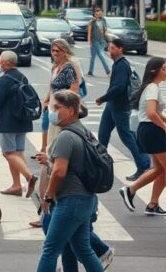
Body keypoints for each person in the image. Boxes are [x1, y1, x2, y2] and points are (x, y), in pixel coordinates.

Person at [35, 90, 108, 272]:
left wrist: (49, 195)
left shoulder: (66, 136)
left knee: (50, 250)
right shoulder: (84, 132)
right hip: (85, 199)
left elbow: (60, 172)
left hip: (70, 200)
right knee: (82, 249)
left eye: (57, 107)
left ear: (71, 111)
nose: (52, 111)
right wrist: (50, 162)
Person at [117, 57, 166, 217]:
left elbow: (154, 112)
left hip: (148, 129)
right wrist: (165, 128)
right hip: (151, 130)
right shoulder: (152, 88)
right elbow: (151, 113)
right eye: (164, 68)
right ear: (155, 71)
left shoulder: (150, 87)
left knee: (161, 168)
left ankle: (150, 203)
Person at [96, 38, 150, 181]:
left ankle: (143, 164)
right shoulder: (119, 64)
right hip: (113, 104)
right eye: (109, 48)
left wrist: (103, 98)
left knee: (127, 137)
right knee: (103, 133)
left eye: (113, 48)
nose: (110, 51)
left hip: (119, 106)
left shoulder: (121, 65)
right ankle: (100, 163)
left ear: (120, 49)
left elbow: (119, 87)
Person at [0, 50, 37, 197]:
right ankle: (16, 185)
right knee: (18, 152)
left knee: (8, 153)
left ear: (6, 63)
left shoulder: (3, 80)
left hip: (8, 121)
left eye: (0, 61)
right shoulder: (22, 77)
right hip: (23, 120)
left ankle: (29, 176)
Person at [41, 39, 80, 152]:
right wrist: (46, 100)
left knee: (58, 139)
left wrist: (66, 108)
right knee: (51, 136)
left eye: (58, 51)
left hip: (61, 109)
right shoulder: (55, 66)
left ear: (65, 52)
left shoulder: (68, 68)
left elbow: (74, 89)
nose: (55, 53)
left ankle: (58, 163)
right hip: (52, 107)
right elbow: (52, 86)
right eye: (53, 50)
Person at [86, 8, 111, 77]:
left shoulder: (104, 20)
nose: (99, 14)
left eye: (100, 13)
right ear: (94, 14)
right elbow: (89, 32)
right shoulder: (92, 22)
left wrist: (108, 39)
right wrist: (89, 42)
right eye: (97, 13)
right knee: (101, 55)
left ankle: (90, 72)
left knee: (93, 57)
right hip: (94, 41)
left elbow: (105, 30)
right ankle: (108, 71)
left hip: (102, 41)